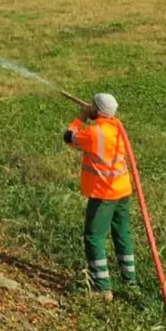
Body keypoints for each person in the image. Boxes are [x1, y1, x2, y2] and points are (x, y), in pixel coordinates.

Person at [63, 93, 135, 301]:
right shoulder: (117, 127)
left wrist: (81, 117)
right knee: (122, 233)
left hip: (104, 193)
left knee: (93, 237)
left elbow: (69, 137)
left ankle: (102, 288)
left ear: (96, 110)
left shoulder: (93, 133)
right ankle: (130, 280)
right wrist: (94, 112)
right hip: (122, 189)